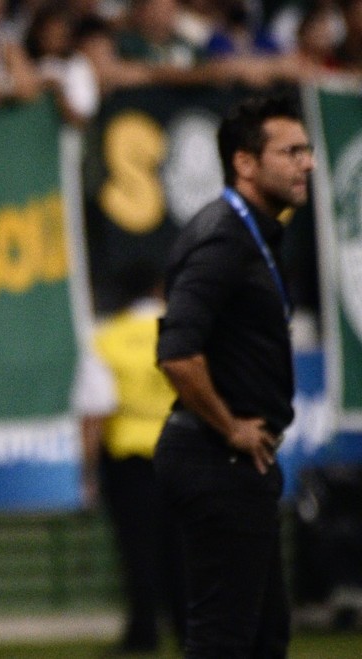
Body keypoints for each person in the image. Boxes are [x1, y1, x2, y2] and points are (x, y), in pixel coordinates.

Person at [154, 94, 315, 658]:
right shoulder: (224, 237)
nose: (308, 163)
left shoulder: (251, 235)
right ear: (245, 163)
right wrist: (231, 428)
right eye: (291, 151)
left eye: (309, 150)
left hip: (229, 463)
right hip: (216, 458)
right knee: (223, 640)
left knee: (265, 636)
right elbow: (177, 353)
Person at [74, 263, 185, 655]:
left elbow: (95, 412)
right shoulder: (182, 333)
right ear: (159, 287)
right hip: (182, 454)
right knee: (182, 546)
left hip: (130, 464)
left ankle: (144, 632)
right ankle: (189, 630)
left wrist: (87, 472)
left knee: (138, 550)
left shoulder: (109, 340)